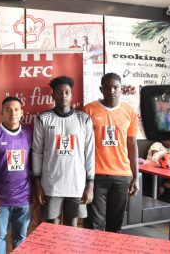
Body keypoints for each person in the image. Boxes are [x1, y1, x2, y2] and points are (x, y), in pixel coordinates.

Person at [32, 76, 95, 227]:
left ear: (72, 95)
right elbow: (37, 152)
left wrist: (90, 185)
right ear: (53, 95)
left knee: (72, 226)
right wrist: (38, 184)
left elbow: (90, 153)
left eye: (67, 92)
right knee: (52, 225)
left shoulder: (84, 119)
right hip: (51, 184)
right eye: (59, 92)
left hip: (77, 184)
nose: (63, 96)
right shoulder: (43, 119)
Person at [83, 72, 139, 232]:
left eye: (115, 87)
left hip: (122, 176)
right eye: (107, 87)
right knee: (95, 226)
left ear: (121, 89)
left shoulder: (129, 111)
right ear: (101, 89)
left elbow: (132, 144)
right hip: (97, 176)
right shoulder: (89, 110)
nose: (112, 91)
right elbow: (83, 145)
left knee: (115, 226)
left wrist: (136, 177)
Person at [0, 96, 32, 253]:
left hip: (24, 196)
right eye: (8, 110)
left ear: (22, 113)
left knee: (21, 236)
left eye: (16, 109)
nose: (13, 113)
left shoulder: (28, 133)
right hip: (1, 197)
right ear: (2, 113)